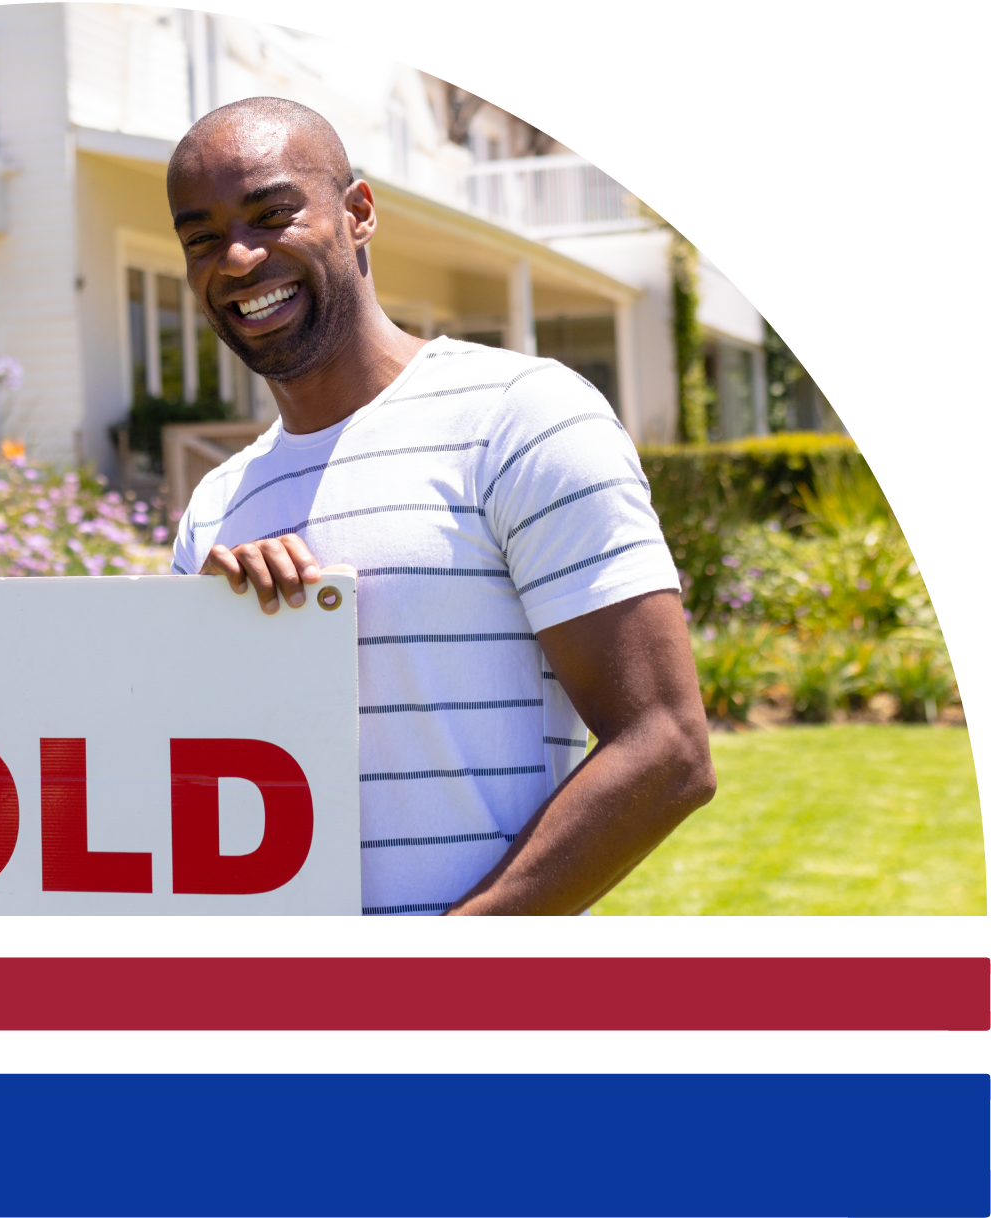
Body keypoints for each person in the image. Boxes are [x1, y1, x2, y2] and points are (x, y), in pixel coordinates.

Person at [165, 99, 715, 915]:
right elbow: (196, 791)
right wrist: (212, 640)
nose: (238, 258)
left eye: (272, 214)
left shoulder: (520, 416)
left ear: (358, 214)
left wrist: (429, 979)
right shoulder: (214, 510)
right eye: (201, 238)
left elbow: (667, 748)